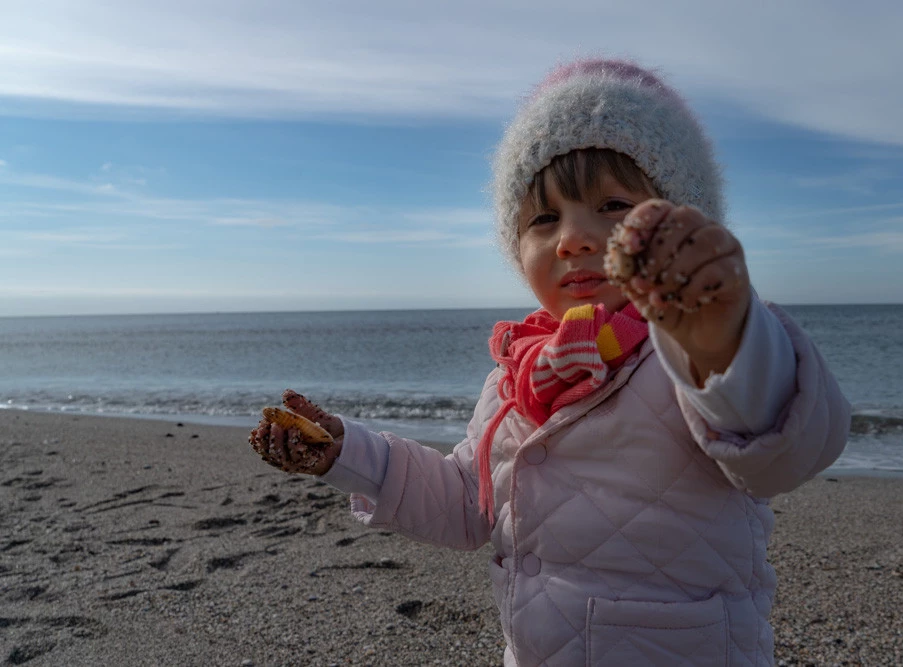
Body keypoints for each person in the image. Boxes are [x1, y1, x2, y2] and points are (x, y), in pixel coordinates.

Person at [249, 58, 850, 666]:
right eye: (544, 218)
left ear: (681, 224)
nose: (574, 238)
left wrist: (725, 334)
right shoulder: (518, 376)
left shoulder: (692, 351)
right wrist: (347, 454)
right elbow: (466, 503)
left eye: (614, 205)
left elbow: (780, 446)